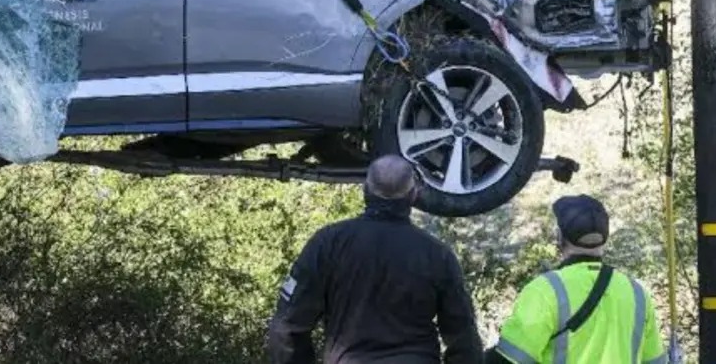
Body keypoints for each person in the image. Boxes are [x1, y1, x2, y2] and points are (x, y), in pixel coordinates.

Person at [268, 155, 483, 364]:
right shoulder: (438, 255)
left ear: (366, 190)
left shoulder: (328, 243)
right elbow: (464, 339)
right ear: (413, 195)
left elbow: (286, 327)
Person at [484, 194, 666, 364]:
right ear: (605, 239)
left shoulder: (545, 290)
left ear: (559, 236)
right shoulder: (637, 294)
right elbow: (656, 361)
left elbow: (509, 359)